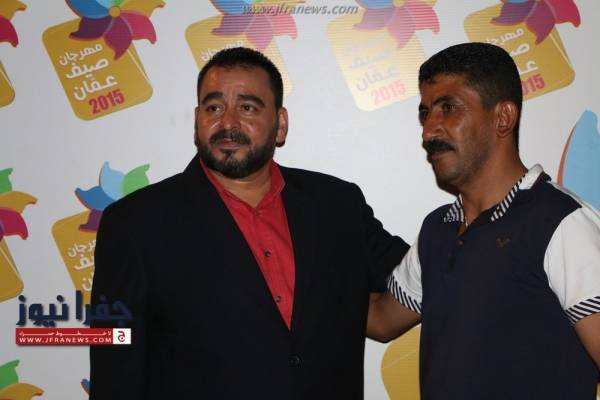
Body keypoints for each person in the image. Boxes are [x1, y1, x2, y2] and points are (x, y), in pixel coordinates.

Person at [89, 47, 408, 399]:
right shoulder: (135, 223)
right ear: (196, 121)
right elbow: (115, 368)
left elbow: (418, 274)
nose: (227, 123)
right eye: (213, 108)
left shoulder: (337, 204)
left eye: (248, 108)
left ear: (280, 124)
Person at [367, 42, 600, 399]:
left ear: (502, 118)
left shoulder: (561, 222)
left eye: (448, 108)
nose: (429, 131)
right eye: (425, 113)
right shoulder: (437, 229)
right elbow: (382, 319)